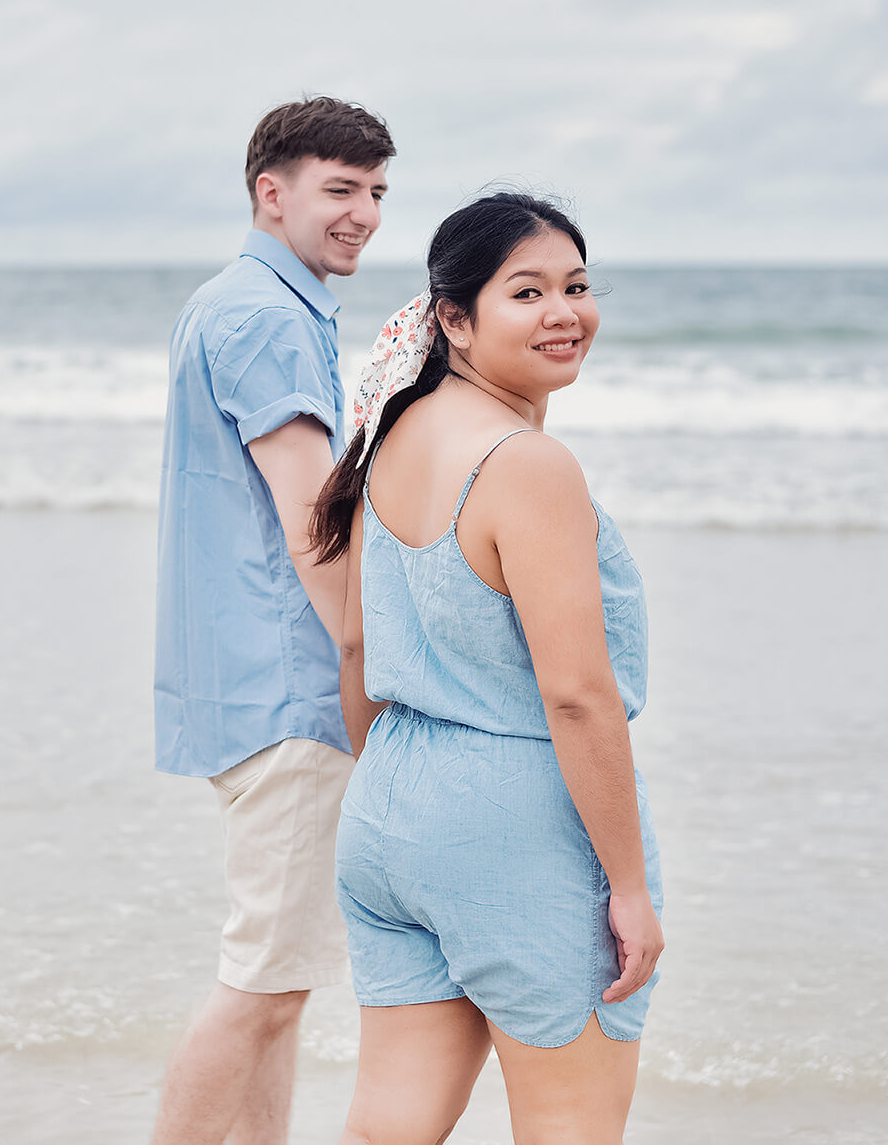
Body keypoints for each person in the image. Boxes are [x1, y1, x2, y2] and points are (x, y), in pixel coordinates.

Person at [307, 193, 665, 1145]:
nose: (564, 312)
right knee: (571, 1128)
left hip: (390, 811)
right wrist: (626, 887)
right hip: (519, 820)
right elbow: (578, 698)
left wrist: (405, 797)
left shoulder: (390, 436)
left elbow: (354, 645)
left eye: (578, 287)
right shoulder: (526, 463)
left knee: (388, 1127)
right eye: (528, 291)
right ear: (454, 320)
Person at [150, 97, 395, 1145]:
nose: (363, 215)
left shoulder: (239, 301)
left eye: (377, 192)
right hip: (290, 689)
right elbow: (313, 531)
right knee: (258, 983)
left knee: (278, 983)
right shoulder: (262, 317)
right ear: (271, 191)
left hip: (245, 681)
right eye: (339, 189)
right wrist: (369, 678)